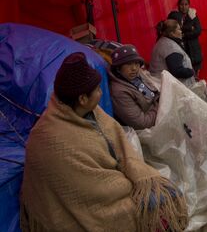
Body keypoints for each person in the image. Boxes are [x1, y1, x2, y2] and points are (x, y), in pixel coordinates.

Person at [20, 52, 188, 232]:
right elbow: (91, 190)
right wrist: (131, 188)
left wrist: (141, 179)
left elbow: (120, 147)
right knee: (148, 210)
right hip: (85, 205)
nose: (101, 93)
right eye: (98, 90)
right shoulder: (52, 139)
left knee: (162, 194)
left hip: (108, 179)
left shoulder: (91, 112)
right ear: (82, 99)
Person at [109, 44, 160, 130]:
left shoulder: (136, 76)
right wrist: (161, 107)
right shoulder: (119, 92)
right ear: (118, 68)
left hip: (155, 115)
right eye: (128, 64)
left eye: (136, 63)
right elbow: (141, 123)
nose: (134, 68)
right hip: (147, 130)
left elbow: (154, 93)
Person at [150, 19, 196, 88]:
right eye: (179, 29)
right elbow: (177, 70)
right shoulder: (171, 47)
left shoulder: (163, 41)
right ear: (172, 33)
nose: (181, 31)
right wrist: (191, 71)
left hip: (160, 83)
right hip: (168, 87)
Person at [167, 0, 202, 73]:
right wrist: (190, 28)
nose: (184, 7)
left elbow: (198, 30)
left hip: (194, 48)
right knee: (184, 69)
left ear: (189, 5)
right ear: (178, 5)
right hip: (182, 47)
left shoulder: (193, 15)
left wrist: (184, 35)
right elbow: (175, 29)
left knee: (195, 72)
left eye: (186, 4)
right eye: (181, 4)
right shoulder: (174, 15)